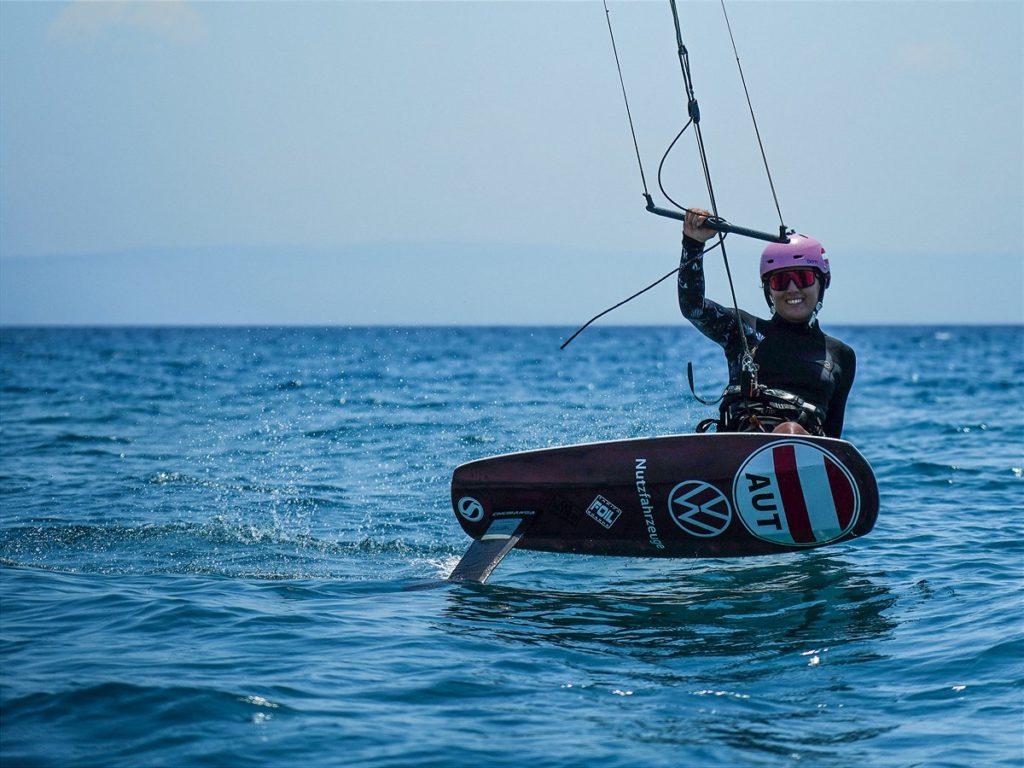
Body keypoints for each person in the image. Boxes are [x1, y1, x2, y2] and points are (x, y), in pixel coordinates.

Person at [679, 208, 856, 438]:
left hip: (802, 455)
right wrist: (693, 242)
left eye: (803, 278)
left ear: (822, 283)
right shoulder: (744, 330)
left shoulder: (841, 356)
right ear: (768, 290)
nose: (792, 289)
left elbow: (833, 441)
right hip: (739, 449)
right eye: (781, 280)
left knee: (789, 431)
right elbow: (693, 307)